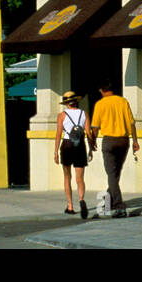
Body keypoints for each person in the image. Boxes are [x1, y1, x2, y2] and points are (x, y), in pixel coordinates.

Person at [88, 82, 138, 218]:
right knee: (115, 173)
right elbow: (132, 123)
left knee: (111, 173)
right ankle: (108, 201)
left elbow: (95, 127)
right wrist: (135, 141)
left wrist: (91, 144)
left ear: (102, 90)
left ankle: (118, 205)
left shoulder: (100, 104)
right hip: (123, 140)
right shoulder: (123, 101)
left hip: (109, 140)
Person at [54, 90, 89, 218]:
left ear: (66, 103)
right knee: (80, 178)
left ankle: (70, 206)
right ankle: (81, 199)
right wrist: (91, 148)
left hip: (67, 144)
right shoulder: (84, 113)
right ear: (76, 101)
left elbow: (58, 134)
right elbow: (88, 132)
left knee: (67, 177)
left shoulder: (62, 115)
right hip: (80, 144)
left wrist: (56, 151)